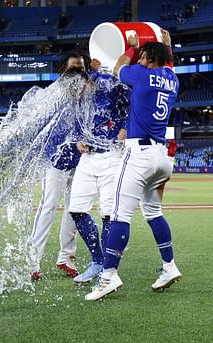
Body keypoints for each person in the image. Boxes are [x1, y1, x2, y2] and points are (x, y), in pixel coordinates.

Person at [85, 30, 182, 301]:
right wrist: (166, 46)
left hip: (140, 154)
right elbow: (166, 65)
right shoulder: (173, 79)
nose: (140, 61)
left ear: (149, 58)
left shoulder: (140, 73)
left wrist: (131, 48)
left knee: (119, 214)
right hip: (163, 157)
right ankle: (169, 266)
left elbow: (118, 69)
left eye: (143, 58)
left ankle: (108, 276)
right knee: (153, 212)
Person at [68, 57, 130, 283]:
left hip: (112, 155)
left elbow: (131, 103)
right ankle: (97, 260)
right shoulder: (80, 91)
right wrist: (77, 140)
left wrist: (125, 127)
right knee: (76, 210)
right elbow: (77, 118)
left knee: (108, 214)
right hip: (88, 157)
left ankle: (107, 267)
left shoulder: (112, 82)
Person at [28, 51, 89, 281]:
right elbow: (42, 130)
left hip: (79, 160)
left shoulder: (86, 96)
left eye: (81, 69)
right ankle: (32, 260)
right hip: (55, 159)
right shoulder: (51, 97)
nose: (77, 73)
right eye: (73, 69)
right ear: (62, 72)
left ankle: (66, 257)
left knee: (76, 208)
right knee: (48, 207)